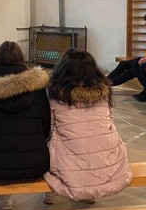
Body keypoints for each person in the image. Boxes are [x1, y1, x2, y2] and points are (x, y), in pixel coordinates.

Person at [0, 41, 51, 210]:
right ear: (21, 59)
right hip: (34, 164)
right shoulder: (37, 86)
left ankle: (4, 198)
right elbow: (45, 127)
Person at [44, 49, 132, 202]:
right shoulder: (103, 91)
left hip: (69, 155)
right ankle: (90, 189)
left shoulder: (55, 91)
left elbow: (50, 127)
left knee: (49, 145)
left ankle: (50, 193)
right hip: (107, 155)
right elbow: (110, 121)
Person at [107, 11, 146, 86]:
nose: (145, 24)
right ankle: (105, 81)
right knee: (123, 64)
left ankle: (106, 84)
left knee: (131, 71)